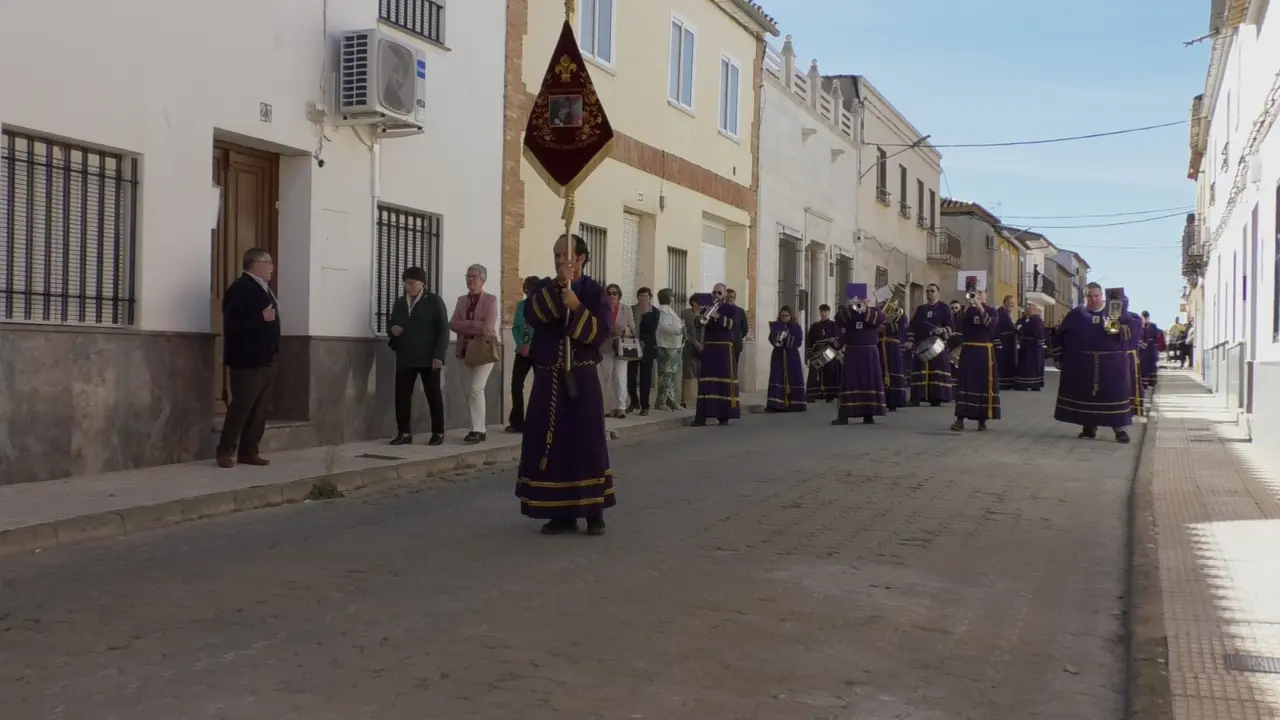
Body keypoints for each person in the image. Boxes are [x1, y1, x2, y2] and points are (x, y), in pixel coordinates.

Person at [516, 233, 613, 536]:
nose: (560, 260)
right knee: (552, 444)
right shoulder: (546, 288)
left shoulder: (595, 292)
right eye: (556, 255)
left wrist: (577, 307)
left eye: (565, 255)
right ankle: (560, 512)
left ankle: (593, 511)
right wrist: (560, 292)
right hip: (549, 379)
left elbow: (599, 334)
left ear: (581, 258)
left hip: (581, 378)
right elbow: (532, 314)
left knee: (586, 443)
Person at [216, 247, 280, 469]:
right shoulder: (240, 288)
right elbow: (232, 324)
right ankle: (225, 451)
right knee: (241, 407)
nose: (272, 268)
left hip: (266, 358)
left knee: (259, 409)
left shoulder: (265, 289)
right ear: (257, 264)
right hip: (246, 360)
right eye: (269, 263)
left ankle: (249, 451)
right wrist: (260, 317)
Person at [1052, 283, 1137, 444]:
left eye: (1096, 295)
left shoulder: (1115, 311)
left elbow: (1134, 329)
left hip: (1112, 365)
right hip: (1082, 364)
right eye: (1089, 296)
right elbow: (1060, 335)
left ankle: (1120, 430)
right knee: (1086, 394)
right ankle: (1089, 428)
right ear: (1085, 297)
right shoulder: (1077, 314)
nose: (1093, 299)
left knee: (1113, 395)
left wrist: (1118, 328)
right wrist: (1059, 357)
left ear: (1101, 296)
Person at [388, 266, 449, 446]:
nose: (408, 287)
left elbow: (443, 330)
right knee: (401, 396)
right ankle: (404, 433)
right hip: (405, 356)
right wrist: (392, 329)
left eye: (411, 283)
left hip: (428, 357)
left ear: (422, 283)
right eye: (405, 283)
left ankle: (438, 432)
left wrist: (439, 355)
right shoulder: (400, 302)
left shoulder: (434, 301)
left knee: (433, 395)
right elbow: (391, 323)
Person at [450, 264, 499, 444]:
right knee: (468, 391)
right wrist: (474, 324)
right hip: (463, 350)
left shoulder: (490, 300)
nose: (470, 280)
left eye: (474, 277)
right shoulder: (461, 300)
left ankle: (476, 430)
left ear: (482, 279)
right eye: (468, 276)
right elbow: (453, 324)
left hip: (483, 351)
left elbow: (488, 328)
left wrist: (467, 324)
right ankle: (480, 428)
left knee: (476, 389)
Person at [833, 286, 887, 425]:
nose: (860, 301)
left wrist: (865, 311)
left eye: (863, 299)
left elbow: (880, 320)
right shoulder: (849, 312)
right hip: (852, 352)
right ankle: (844, 414)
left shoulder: (874, 312)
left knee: (869, 382)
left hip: (869, 353)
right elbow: (838, 319)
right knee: (849, 382)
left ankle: (868, 414)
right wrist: (852, 308)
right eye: (857, 299)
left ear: (868, 300)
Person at [951, 289, 1000, 432]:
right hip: (968, 351)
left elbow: (990, 326)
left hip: (985, 352)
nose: (977, 295)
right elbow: (957, 323)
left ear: (986, 294)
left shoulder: (992, 310)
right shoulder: (967, 311)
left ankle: (982, 420)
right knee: (965, 383)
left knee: (983, 384)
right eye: (975, 293)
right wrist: (968, 306)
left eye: (980, 292)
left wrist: (979, 306)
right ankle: (960, 419)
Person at [691, 284, 740, 426]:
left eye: (719, 292)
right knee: (706, 382)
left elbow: (733, 325)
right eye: (714, 292)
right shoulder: (707, 306)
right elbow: (698, 324)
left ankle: (723, 415)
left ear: (724, 295)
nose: (716, 294)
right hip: (709, 348)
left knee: (722, 384)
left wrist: (717, 316)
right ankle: (701, 416)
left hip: (725, 349)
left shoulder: (731, 309)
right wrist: (701, 313)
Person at [906, 283, 955, 407]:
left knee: (937, 369)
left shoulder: (944, 308)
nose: (929, 294)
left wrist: (943, 330)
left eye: (932, 291)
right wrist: (911, 340)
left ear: (938, 293)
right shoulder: (920, 309)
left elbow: (950, 326)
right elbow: (912, 326)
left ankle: (936, 397)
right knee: (918, 370)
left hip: (937, 345)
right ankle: (916, 397)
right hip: (921, 344)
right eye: (927, 291)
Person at [506, 275, 541, 433]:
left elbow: (544, 330)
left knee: (540, 386)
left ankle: (537, 420)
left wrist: (531, 345)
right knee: (516, 385)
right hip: (521, 352)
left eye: (531, 291)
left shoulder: (543, 307)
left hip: (538, 351)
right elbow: (515, 327)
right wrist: (521, 344)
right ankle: (517, 421)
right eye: (526, 291)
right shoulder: (521, 306)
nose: (528, 294)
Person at [600, 283, 635, 418]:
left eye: (615, 293)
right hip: (606, 346)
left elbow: (633, 328)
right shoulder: (602, 309)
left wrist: (625, 330)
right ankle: (608, 407)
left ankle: (621, 407)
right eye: (609, 293)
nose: (612, 295)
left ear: (619, 295)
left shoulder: (626, 309)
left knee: (620, 377)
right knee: (606, 377)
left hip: (622, 347)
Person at [764, 306, 806, 412]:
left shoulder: (796, 327)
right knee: (777, 376)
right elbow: (771, 338)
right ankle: (776, 404)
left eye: (786, 316)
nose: (784, 318)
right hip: (778, 355)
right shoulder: (776, 326)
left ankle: (795, 404)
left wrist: (787, 337)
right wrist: (776, 336)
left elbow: (798, 341)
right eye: (782, 316)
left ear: (790, 316)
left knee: (793, 377)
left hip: (791, 355)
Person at [627, 287, 660, 415]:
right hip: (633, 347)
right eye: (641, 296)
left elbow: (652, 328)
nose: (644, 299)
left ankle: (645, 406)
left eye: (646, 296)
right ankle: (633, 402)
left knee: (645, 378)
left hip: (648, 347)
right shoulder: (632, 309)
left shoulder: (655, 312)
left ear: (650, 298)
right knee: (631, 377)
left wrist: (645, 314)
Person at [653, 288, 685, 411]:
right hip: (667, 346)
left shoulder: (669, 311)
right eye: (672, 296)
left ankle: (671, 400)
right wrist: (679, 330)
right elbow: (663, 327)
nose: (673, 298)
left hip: (674, 346)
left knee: (672, 376)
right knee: (665, 375)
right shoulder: (662, 311)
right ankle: (661, 401)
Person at [805, 304, 842, 403]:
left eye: (825, 311)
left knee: (830, 372)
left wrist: (833, 341)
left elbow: (838, 339)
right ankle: (813, 395)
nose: (823, 313)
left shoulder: (833, 325)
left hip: (829, 352)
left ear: (828, 312)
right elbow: (809, 340)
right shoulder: (815, 326)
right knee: (814, 373)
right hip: (817, 352)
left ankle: (829, 395)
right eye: (822, 311)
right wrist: (809, 353)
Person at [878, 298, 909, 410]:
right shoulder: (879, 311)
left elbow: (899, 328)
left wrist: (885, 326)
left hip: (892, 345)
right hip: (880, 345)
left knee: (893, 370)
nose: (885, 301)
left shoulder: (898, 311)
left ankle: (894, 402)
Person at [1014, 303, 1046, 391]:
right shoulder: (1023, 319)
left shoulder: (1037, 319)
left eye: (1030, 309)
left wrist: (1023, 328)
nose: (1028, 310)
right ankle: (1023, 384)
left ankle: (1034, 384)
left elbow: (1038, 333)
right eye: (1027, 309)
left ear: (1035, 310)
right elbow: (1018, 327)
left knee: (1033, 365)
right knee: (1025, 364)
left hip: (1033, 347)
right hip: (1025, 345)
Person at [680, 295, 703, 408]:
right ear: (694, 302)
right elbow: (683, 330)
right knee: (687, 375)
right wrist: (694, 342)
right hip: (689, 348)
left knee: (702, 375)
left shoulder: (706, 315)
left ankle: (702, 399)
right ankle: (684, 400)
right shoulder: (685, 313)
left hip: (703, 348)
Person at [995, 295, 1018, 391]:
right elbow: (996, 327)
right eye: (1010, 302)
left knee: (1008, 362)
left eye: (1013, 303)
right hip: (1003, 342)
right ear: (1005, 302)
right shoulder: (1000, 312)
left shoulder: (1007, 313)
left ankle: (1008, 383)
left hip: (1009, 343)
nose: (1011, 304)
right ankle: (1002, 383)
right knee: (1002, 363)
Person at [1125, 309, 1145, 417]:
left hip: (1129, 355)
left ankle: (1133, 406)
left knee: (1132, 381)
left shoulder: (1134, 318)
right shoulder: (1136, 318)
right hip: (1122, 355)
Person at [1140, 311, 1161, 390]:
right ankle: (1144, 384)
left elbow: (1156, 338)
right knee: (1143, 366)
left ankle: (1152, 383)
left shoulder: (1153, 326)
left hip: (1151, 349)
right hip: (1143, 351)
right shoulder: (1140, 326)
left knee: (1152, 366)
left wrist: (1150, 342)